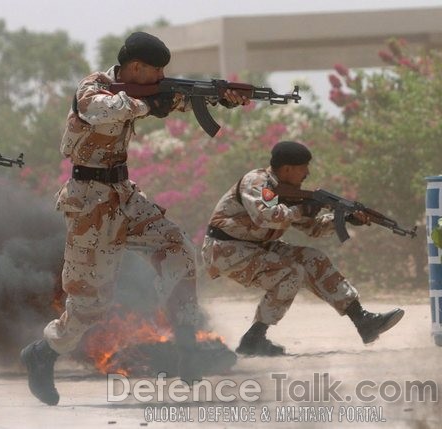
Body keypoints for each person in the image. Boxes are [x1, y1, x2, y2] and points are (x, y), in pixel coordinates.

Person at [20, 31, 250, 405]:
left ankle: (187, 346)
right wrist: (150, 104)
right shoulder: (94, 86)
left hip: (125, 195)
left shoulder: (149, 90)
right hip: (89, 203)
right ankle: (43, 353)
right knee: (89, 305)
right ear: (136, 67)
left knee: (178, 248)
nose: (160, 78)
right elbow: (100, 110)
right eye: (155, 71)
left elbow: (176, 100)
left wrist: (220, 98)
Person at [201, 141, 404, 356]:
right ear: (287, 168)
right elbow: (266, 216)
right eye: (303, 167)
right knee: (290, 272)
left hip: (256, 246)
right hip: (224, 249)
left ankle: (362, 320)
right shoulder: (258, 182)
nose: (307, 173)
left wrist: (345, 218)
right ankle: (254, 338)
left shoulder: (290, 193)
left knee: (312, 258)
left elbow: (313, 229)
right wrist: (302, 209)